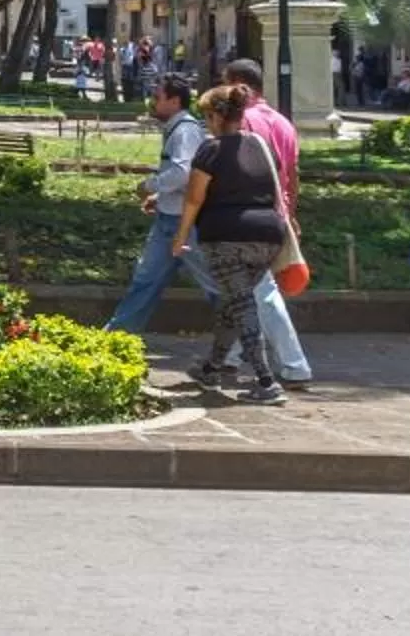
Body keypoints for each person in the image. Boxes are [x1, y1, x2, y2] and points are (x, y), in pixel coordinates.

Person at [173, 84, 290, 404]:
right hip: (268, 235)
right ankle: (211, 367)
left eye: (206, 117)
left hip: (225, 237)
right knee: (234, 302)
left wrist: (181, 237)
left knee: (242, 305)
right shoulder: (261, 146)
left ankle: (266, 381)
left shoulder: (210, 150)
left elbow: (194, 198)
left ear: (215, 116)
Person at [221, 57, 317, 386]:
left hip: (250, 214)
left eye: (225, 83)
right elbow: (293, 174)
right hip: (277, 215)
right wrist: (291, 214)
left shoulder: (242, 121)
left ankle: (294, 364)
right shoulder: (284, 123)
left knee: (261, 291)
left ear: (238, 85)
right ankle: (226, 357)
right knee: (245, 288)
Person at [103, 74, 212, 337]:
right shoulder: (177, 129)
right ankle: (117, 336)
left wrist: (150, 186)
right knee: (146, 280)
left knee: (214, 284)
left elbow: (182, 173)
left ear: (174, 101)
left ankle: (247, 333)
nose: (153, 102)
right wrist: (160, 197)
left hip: (186, 223)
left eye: (158, 97)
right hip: (168, 218)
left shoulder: (185, 131)